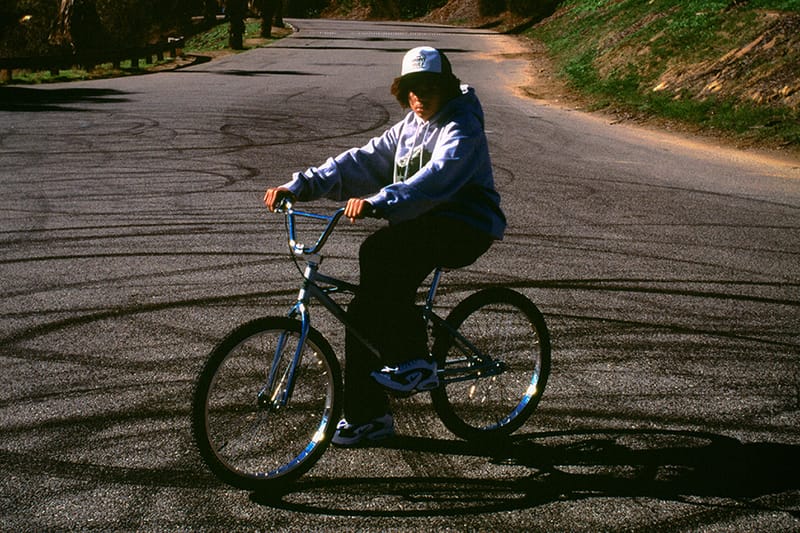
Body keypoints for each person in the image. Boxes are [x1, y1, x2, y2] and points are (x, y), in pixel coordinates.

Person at [264, 46, 506, 446]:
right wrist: (299, 185)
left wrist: (381, 200)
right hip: (421, 224)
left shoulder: (462, 126)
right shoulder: (409, 127)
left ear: (446, 88)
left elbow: (438, 176)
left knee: (380, 251)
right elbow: (358, 161)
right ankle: (367, 416)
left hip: (466, 225)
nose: (420, 96)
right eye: (412, 89)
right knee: (363, 314)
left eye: (429, 87)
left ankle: (414, 359)